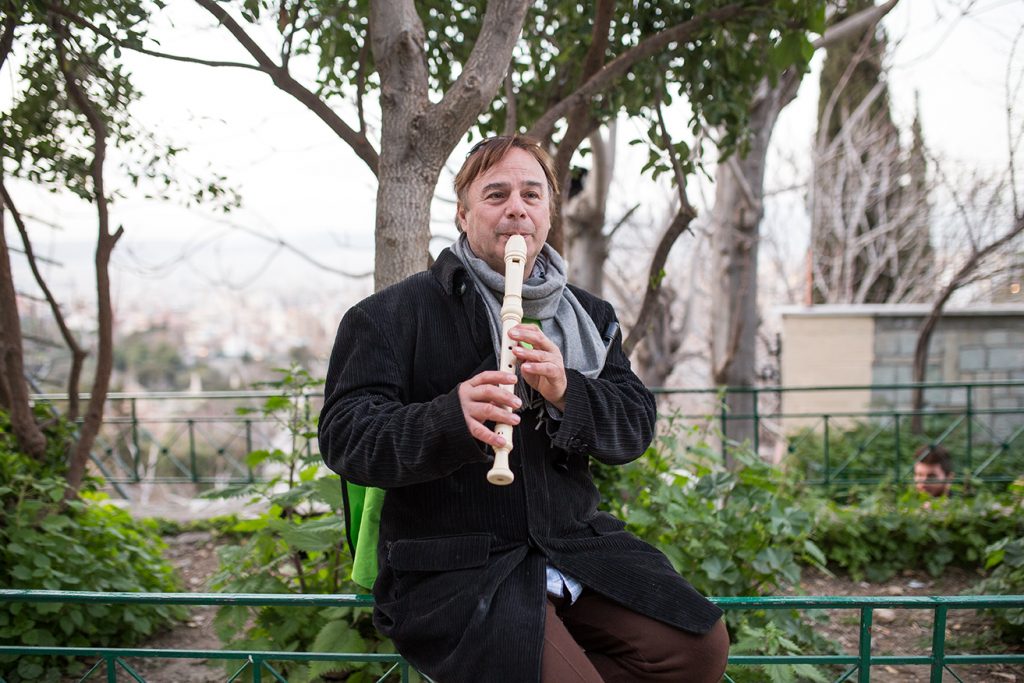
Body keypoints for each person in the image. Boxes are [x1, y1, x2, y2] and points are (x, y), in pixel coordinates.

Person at [318, 135, 729, 683]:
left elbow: (634, 428)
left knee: (697, 650)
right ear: (464, 216)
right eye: (496, 195)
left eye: (532, 195)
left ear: (548, 214)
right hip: (457, 567)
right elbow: (346, 436)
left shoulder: (591, 315)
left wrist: (568, 392)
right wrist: (449, 417)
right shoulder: (390, 316)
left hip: (571, 544)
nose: (517, 207)